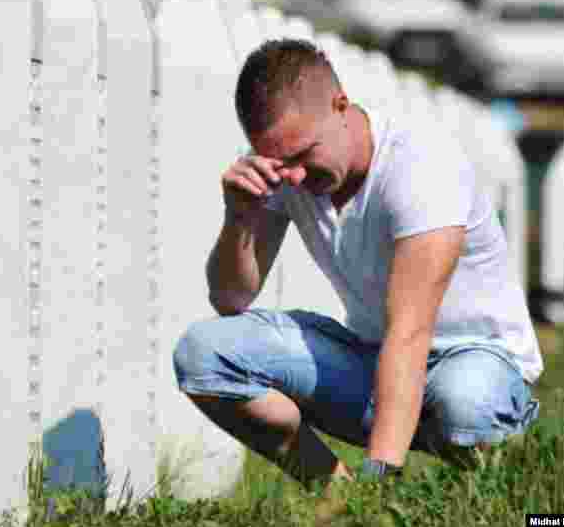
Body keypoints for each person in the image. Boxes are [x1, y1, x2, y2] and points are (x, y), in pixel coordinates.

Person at [172, 38, 543, 485]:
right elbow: (230, 299)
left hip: (477, 365)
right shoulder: (287, 169)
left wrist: (381, 474)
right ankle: (338, 495)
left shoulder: (419, 165)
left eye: (302, 155)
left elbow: (410, 332)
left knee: (466, 402)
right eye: (277, 161)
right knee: (204, 354)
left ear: (341, 104)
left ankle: (498, 485)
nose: (292, 175)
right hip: (374, 360)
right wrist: (239, 217)